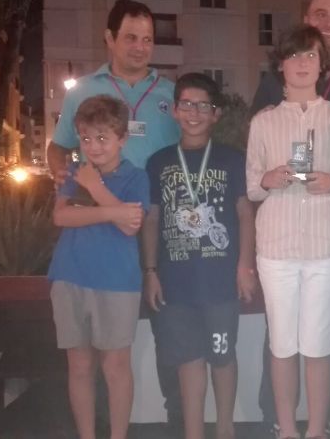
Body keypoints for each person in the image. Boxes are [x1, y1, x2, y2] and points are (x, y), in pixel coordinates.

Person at [46, 0, 183, 428]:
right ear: (110, 38)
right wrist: (63, 175)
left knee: (167, 333)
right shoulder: (83, 91)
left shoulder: (170, 94)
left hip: (159, 224)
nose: (140, 47)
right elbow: (58, 147)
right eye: (130, 37)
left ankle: (178, 424)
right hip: (92, 241)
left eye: (148, 39)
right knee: (88, 358)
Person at [249, 0, 330, 438]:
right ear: (280, 66)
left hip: (326, 247)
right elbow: (251, 184)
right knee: (282, 346)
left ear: (322, 64)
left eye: (310, 56)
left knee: (321, 346)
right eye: (293, 56)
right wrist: (269, 179)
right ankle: (286, 429)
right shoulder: (263, 121)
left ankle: (318, 429)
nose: (302, 63)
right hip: (276, 250)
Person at [142, 73, 257, 439]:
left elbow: (244, 213)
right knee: (188, 362)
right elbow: (152, 218)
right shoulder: (158, 162)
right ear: (175, 110)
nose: (194, 113)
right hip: (176, 285)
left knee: (222, 358)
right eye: (187, 105)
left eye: (203, 106)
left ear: (215, 114)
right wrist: (151, 270)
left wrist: (244, 265)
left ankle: (225, 429)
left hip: (220, 282)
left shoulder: (231, 159)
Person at [47, 95, 149, 439]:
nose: (93, 146)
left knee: (116, 366)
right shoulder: (74, 174)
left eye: (103, 138)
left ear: (122, 138)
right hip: (70, 276)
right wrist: (114, 211)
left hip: (117, 281)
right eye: (86, 138)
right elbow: (62, 216)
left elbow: (131, 226)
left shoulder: (135, 177)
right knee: (79, 366)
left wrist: (94, 187)